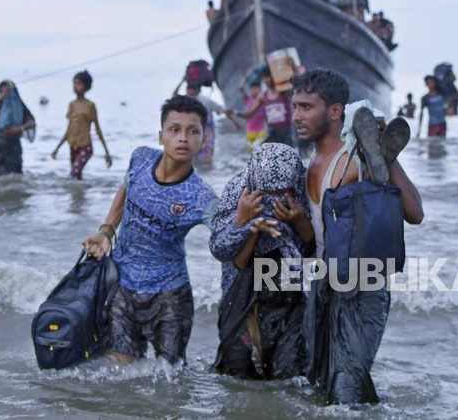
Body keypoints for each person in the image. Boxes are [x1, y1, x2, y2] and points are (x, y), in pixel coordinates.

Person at [291, 69, 423, 404]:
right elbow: (317, 240)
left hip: (365, 287)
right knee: (319, 384)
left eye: (306, 107)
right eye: (295, 107)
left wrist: (383, 159)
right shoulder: (310, 163)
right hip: (323, 283)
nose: (296, 116)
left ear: (335, 111)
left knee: (346, 391)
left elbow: (415, 213)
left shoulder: (356, 162)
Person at [82, 96, 219, 364]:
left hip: (170, 296)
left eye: (193, 131)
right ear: (161, 136)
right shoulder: (140, 159)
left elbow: (228, 238)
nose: (183, 138)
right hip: (122, 285)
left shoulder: (203, 198)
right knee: (122, 375)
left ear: (203, 140)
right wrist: (106, 232)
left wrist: (248, 221)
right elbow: (126, 190)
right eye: (175, 129)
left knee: (171, 380)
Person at [210, 143, 314, 379]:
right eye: (268, 194)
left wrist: (299, 222)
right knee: (239, 372)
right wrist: (245, 223)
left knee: (288, 374)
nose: (274, 200)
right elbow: (220, 250)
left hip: (290, 288)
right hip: (246, 289)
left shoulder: (303, 191)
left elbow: (317, 253)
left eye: (281, 194)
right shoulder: (238, 192)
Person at [51, 71, 112, 180]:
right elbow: (69, 129)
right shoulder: (72, 105)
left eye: (78, 84)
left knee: (73, 174)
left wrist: (106, 152)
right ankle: (79, 196)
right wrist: (57, 148)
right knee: (77, 176)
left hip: (85, 146)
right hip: (73, 145)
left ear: (86, 87)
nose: (75, 86)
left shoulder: (90, 106)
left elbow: (97, 129)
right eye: (74, 83)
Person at [0, 80, 36, 179]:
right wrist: (3, 97)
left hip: (13, 144)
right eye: (3, 91)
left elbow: (31, 122)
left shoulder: (19, 106)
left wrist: (19, 129)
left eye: (9, 91)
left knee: (14, 173)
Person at [173, 78, 234, 164]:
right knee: (196, 153)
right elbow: (222, 110)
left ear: (198, 91)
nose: (191, 93)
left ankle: (205, 173)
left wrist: (235, 122)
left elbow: (222, 110)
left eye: (192, 90)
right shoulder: (187, 101)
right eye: (189, 90)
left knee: (202, 154)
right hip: (195, 130)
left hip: (205, 129)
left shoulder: (204, 100)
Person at [237, 70, 293, 146]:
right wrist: (236, 113)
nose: (266, 80)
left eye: (268, 77)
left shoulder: (284, 92)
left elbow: (295, 87)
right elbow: (250, 114)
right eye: (264, 78)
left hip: (286, 131)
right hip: (272, 132)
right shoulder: (263, 96)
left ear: (274, 77)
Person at [240, 81, 266, 146]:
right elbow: (241, 89)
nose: (254, 91)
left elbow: (266, 116)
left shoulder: (262, 100)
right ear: (250, 90)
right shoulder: (247, 99)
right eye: (252, 89)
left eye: (256, 89)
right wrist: (245, 79)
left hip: (261, 130)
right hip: (250, 130)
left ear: (259, 90)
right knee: (250, 149)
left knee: (261, 147)